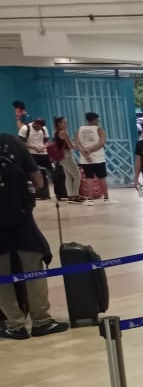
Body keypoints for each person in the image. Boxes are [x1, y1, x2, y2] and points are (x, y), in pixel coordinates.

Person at [0, 133, 70, 340]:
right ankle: (41, 320)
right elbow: (39, 182)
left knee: (2, 275)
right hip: (21, 220)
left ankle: (14, 324)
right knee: (33, 268)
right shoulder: (12, 142)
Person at [74, 111, 108, 204]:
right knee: (102, 178)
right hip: (98, 158)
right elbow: (101, 142)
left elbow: (77, 143)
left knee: (89, 178)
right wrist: (91, 150)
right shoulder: (99, 129)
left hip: (85, 160)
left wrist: (84, 153)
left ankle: (90, 199)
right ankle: (106, 198)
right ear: (96, 119)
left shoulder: (80, 129)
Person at [51, 116, 80, 202]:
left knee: (68, 176)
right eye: (64, 122)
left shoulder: (56, 132)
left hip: (61, 157)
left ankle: (70, 195)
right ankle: (75, 194)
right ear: (59, 124)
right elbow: (71, 146)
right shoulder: (63, 132)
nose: (66, 123)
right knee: (77, 176)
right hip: (66, 156)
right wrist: (77, 144)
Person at [18, 118, 51, 190]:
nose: (39, 128)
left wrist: (44, 146)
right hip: (31, 154)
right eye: (38, 126)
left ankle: (47, 190)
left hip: (43, 153)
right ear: (35, 123)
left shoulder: (44, 129)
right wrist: (33, 147)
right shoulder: (25, 128)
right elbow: (21, 142)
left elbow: (46, 141)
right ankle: (34, 190)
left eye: (41, 127)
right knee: (32, 171)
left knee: (51, 169)